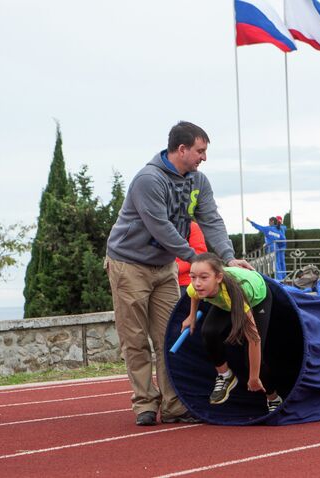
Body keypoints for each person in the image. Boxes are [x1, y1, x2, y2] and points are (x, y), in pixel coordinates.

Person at [106, 121, 253, 426]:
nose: (204, 158)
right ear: (182, 149)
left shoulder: (198, 181)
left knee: (172, 335)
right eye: (200, 151)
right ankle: (145, 402)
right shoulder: (149, 180)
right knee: (134, 338)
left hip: (164, 267)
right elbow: (161, 228)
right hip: (129, 265)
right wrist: (197, 261)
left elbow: (211, 219)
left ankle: (174, 405)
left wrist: (227, 257)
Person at [181, 252, 283, 413]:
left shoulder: (236, 294)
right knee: (208, 331)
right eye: (193, 277)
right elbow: (193, 295)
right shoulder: (196, 287)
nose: (197, 283)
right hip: (226, 301)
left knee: (253, 360)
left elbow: (254, 339)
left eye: (203, 277)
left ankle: (273, 397)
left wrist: (254, 377)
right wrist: (191, 316)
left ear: (218, 277)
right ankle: (225, 375)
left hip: (257, 299)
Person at [176, 221, 207, 287]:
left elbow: (200, 255)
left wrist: (175, 268)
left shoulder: (191, 226)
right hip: (154, 281)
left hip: (184, 283)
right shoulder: (154, 223)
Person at [275, 215, 287, 279]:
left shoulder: (280, 227)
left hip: (278, 246)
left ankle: (280, 278)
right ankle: (284, 276)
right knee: (281, 261)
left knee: (278, 262)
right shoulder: (283, 227)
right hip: (281, 246)